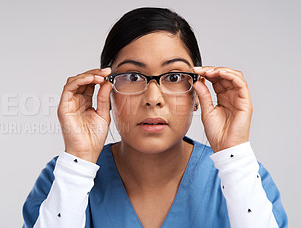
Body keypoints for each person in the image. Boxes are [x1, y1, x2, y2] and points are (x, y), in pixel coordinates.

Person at [22, 7, 288, 228]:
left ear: (197, 93)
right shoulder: (64, 175)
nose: (153, 98)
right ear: (107, 91)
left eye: (173, 77)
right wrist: (78, 159)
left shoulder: (244, 174)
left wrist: (234, 152)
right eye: (132, 77)